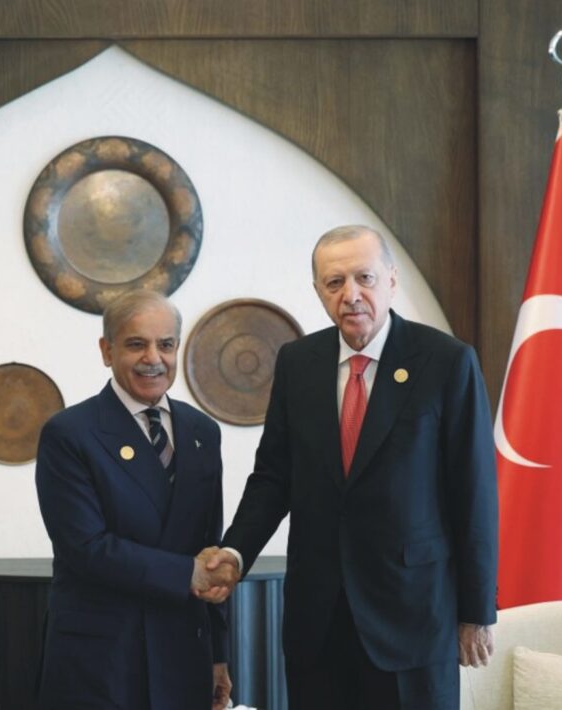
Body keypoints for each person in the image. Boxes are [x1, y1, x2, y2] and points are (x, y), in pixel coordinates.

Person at [202, 225, 498, 709]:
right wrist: (235, 552)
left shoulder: (446, 362)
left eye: (364, 277)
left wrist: (476, 610)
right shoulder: (298, 362)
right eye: (334, 282)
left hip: (413, 619)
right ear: (318, 290)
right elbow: (273, 477)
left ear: (392, 281)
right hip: (318, 621)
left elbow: (475, 493)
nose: (351, 294)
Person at [35, 289, 236, 710]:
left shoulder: (203, 431)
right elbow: (86, 548)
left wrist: (218, 656)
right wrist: (188, 574)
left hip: (183, 652)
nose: (153, 358)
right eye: (135, 344)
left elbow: (209, 545)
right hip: (103, 660)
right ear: (106, 351)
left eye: (165, 345)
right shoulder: (69, 434)